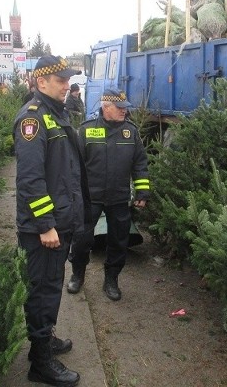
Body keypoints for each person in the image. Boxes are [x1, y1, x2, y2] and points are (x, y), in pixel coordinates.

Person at [13, 54, 89, 386]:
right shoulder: (33, 120)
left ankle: (46, 339)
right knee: (43, 290)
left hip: (61, 222)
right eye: (60, 80)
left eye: (68, 79)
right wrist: (45, 224)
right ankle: (40, 363)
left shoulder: (56, 115)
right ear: (41, 82)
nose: (67, 84)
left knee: (51, 286)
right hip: (45, 229)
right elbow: (30, 180)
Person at [67, 88, 150, 301]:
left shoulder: (130, 132)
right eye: (120, 108)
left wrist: (142, 191)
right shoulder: (86, 131)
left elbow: (139, 163)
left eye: (125, 108)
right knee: (81, 239)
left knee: (118, 241)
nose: (124, 111)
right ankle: (77, 274)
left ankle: (111, 280)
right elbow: (74, 165)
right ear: (106, 107)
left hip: (119, 198)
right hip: (90, 198)